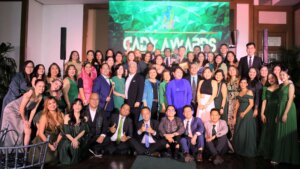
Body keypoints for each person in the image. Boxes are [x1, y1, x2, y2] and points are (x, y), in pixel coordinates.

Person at [1, 79, 45, 147]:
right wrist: (24, 121)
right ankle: (9, 149)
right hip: (13, 110)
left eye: (43, 86)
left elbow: (33, 110)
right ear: (35, 86)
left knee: (28, 130)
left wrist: (29, 122)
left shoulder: (40, 97)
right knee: (14, 130)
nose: (42, 88)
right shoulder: (30, 93)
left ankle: (24, 151)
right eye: (39, 86)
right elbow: (21, 108)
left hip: (24, 112)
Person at [271, 69, 300, 165]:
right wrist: (277, 114)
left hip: (288, 109)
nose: (282, 76)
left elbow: (290, 99)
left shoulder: (291, 85)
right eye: (280, 75)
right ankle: (280, 156)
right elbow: (279, 100)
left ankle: (287, 157)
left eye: (283, 75)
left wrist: (285, 113)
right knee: (279, 132)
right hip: (280, 109)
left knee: (286, 132)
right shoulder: (281, 86)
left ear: (288, 76)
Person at [30, 96, 64, 165]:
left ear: (57, 104)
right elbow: (41, 133)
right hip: (45, 140)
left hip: (57, 139)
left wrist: (57, 142)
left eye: (54, 102)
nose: (52, 105)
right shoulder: (44, 116)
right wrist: (50, 145)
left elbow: (62, 131)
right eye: (49, 104)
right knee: (48, 160)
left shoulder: (61, 114)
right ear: (47, 106)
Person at [59, 99, 89, 165]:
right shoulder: (67, 117)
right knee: (66, 145)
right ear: (72, 106)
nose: (77, 106)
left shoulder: (85, 118)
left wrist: (76, 139)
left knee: (76, 146)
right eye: (75, 104)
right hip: (68, 137)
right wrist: (73, 139)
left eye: (79, 104)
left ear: (82, 107)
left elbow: (83, 131)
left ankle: (75, 162)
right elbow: (66, 132)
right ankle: (67, 161)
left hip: (79, 138)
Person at [257, 73, 279, 160]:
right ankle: (265, 152)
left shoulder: (280, 87)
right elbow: (264, 102)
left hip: (277, 111)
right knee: (267, 131)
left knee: (275, 131)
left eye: (272, 78)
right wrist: (262, 113)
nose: (271, 80)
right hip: (268, 111)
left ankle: (275, 152)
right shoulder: (265, 88)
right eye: (269, 78)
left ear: (276, 78)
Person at [233, 78, 256, 157]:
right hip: (240, 113)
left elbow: (251, 104)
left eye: (244, 82)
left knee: (245, 131)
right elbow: (237, 105)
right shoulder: (239, 93)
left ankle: (247, 150)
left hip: (247, 113)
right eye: (241, 82)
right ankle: (240, 149)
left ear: (247, 84)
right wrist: (234, 116)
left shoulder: (249, 91)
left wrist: (244, 112)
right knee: (239, 131)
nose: (242, 84)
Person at [124, 61, 144, 128]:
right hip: (126, 102)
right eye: (130, 67)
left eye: (134, 67)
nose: (132, 68)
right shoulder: (126, 77)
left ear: (136, 68)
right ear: (128, 68)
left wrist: (138, 101)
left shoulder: (140, 77)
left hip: (135, 103)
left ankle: (135, 137)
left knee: (134, 121)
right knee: (127, 120)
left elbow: (141, 90)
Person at [226, 66, 240, 139]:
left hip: (236, 102)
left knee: (235, 119)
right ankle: (231, 137)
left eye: (233, 69)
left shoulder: (239, 80)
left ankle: (236, 138)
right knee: (229, 120)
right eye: (230, 70)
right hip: (228, 102)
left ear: (236, 71)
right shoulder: (227, 80)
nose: (231, 71)